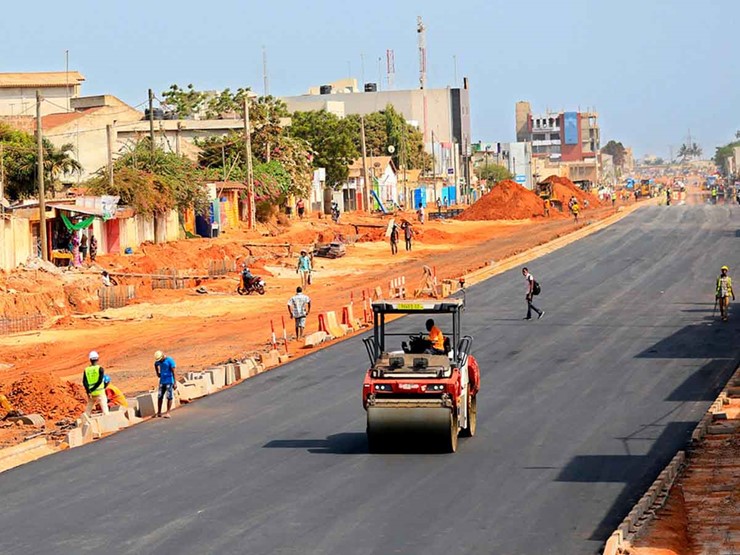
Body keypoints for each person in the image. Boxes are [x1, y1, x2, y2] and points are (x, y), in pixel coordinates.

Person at [83, 351, 109, 415]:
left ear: (90, 359)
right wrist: (93, 389)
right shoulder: (100, 369)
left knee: (88, 408)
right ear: (97, 359)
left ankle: (85, 420)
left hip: (91, 393)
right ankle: (107, 419)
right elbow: (100, 381)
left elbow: (84, 382)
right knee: (104, 408)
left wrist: (88, 391)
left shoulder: (86, 370)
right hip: (100, 392)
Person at [154, 350, 177, 418]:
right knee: (160, 396)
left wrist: (175, 383)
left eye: (160, 359)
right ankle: (159, 412)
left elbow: (174, 372)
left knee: (169, 397)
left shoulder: (170, 360)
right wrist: (157, 373)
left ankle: (168, 412)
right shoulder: (158, 361)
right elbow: (155, 364)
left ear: (163, 356)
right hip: (162, 381)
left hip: (169, 381)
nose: (160, 361)